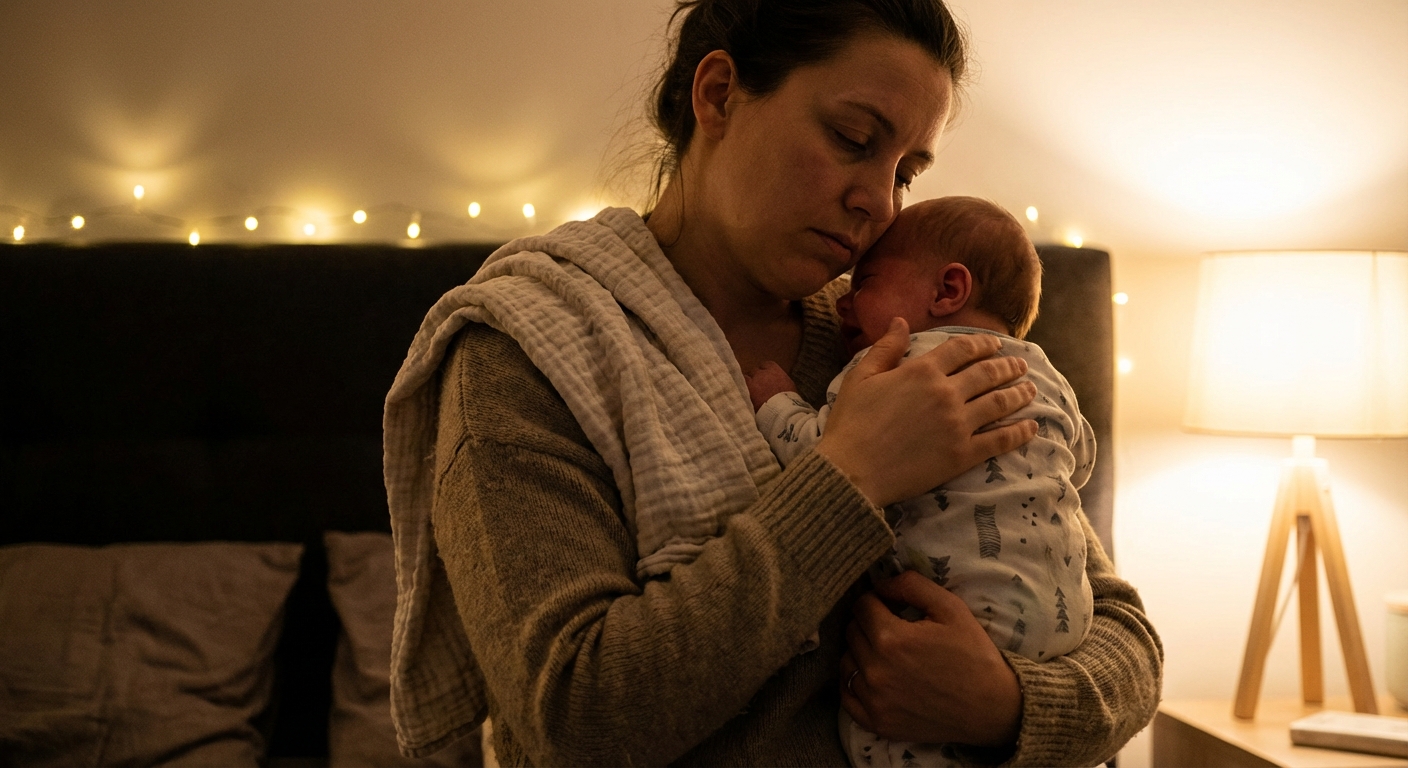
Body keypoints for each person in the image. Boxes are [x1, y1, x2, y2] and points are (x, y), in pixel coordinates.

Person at [382, 1, 1163, 766]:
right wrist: (849, 476)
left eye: (907, 172)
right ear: (719, 95)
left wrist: (1006, 705)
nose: (879, 201)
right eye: (853, 139)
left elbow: (1123, 639)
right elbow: (575, 716)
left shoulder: (900, 343)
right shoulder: (527, 348)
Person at [745, 196, 1097, 767]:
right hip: (1062, 622)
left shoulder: (889, 367)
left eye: (866, 284)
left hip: (953, 614)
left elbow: (821, 453)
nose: (843, 303)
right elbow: (1078, 460)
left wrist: (776, 401)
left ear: (947, 291)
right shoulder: (1045, 373)